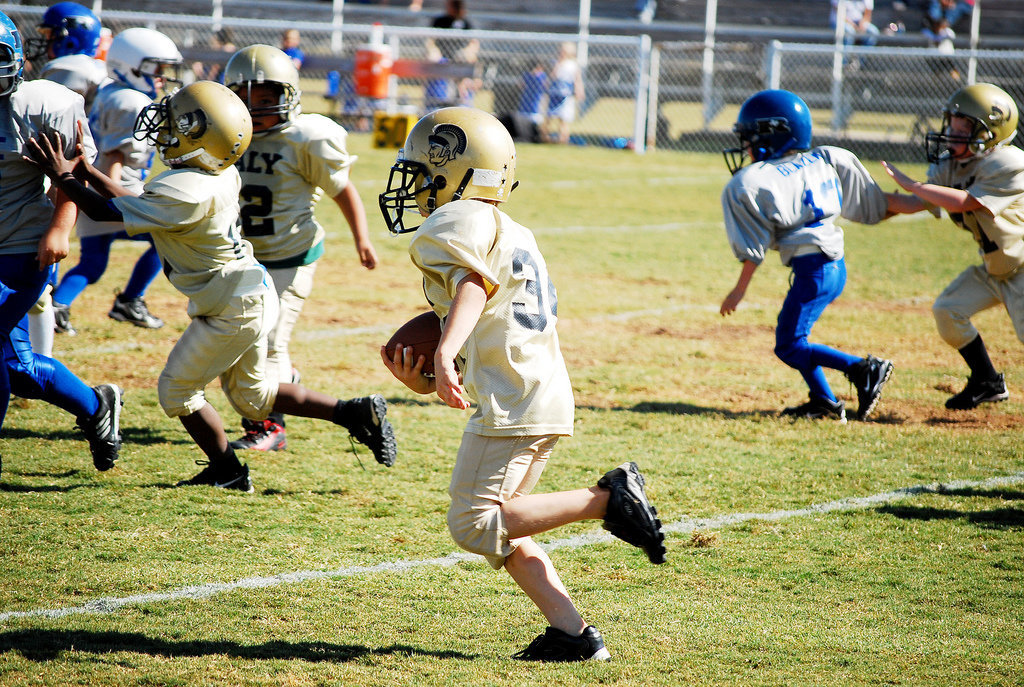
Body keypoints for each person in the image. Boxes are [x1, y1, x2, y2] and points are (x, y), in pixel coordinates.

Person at [379, 107, 666, 661]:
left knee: (473, 522)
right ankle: (574, 636)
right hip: (536, 387)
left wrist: (442, 348)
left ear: (456, 172)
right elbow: (487, 313)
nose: (414, 186)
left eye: (422, 173)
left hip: (516, 396)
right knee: (505, 529)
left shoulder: (455, 220)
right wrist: (431, 371)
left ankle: (606, 499)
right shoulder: (508, 228)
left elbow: (472, 287)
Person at [27, 81, 397, 492]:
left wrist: (62, 176)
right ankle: (356, 413)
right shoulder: (215, 173)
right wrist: (84, 172)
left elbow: (108, 210)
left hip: (230, 304)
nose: (164, 128)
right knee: (255, 398)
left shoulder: (184, 189)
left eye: (174, 123)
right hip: (250, 292)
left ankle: (228, 471)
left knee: (176, 391)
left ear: (200, 134)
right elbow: (132, 201)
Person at [222, 44, 381, 452]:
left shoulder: (307, 137)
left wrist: (362, 239)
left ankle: (269, 428)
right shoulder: (224, 130)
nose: (253, 109)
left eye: (264, 99)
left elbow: (342, 190)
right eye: (244, 98)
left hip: (290, 256)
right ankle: (286, 383)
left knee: (266, 339)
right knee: (248, 337)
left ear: (288, 97)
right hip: (242, 255)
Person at [719, 89, 910, 422]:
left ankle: (863, 369)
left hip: (814, 269)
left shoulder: (755, 180)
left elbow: (755, 247)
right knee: (796, 338)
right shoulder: (820, 159)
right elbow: (873, 204)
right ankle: (824, 399)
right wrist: (927, 201)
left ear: (774, 134)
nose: (746, 147)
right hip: (831, 266)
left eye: (752, 138)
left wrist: (739, 289)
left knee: (789, 345)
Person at [0, 10, 123, 472]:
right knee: (17, 368)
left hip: (21, 247)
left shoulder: (46, 103)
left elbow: (68, 175)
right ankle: (96, 406)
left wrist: (60, 226)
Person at [882, 83, 1023, 411]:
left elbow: (965, 202)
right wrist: (865, 201)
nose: (952, 134)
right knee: (948, 310)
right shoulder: (951, 165)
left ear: (992, 133)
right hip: (995, 268)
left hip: (1022, 266)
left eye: (963, 129)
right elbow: (916, 202)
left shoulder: (1010, 163)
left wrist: (913, 183)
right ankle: (987, 382)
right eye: (952, 125)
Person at [50, 27, 183, 335]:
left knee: (93, 262)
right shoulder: (132, 102)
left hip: (92, 187)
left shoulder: (111, 90)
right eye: (157, 69)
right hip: (118, 187)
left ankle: (58, 306)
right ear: (132, 65)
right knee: (168, 239)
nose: (162, 76)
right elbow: (117, 156)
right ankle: (131, 299)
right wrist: (114, 201)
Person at [25, 1, 108, 355]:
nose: (44, 43)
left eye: (49, 35)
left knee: (44, 251)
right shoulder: (94, 69)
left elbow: (49, 124)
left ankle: (41, 345)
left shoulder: (68, 68)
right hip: (81, 165)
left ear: (68, 38)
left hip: (63, 165)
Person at [544, 42, 584, 145]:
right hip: (555, 93)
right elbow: (553, 76)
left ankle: (563, 139)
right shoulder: (557, 63)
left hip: (566, 95)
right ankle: (545, 137)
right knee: (549, 116)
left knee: (564, 119)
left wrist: (579, 91)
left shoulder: (573, 65)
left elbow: (577, 80)